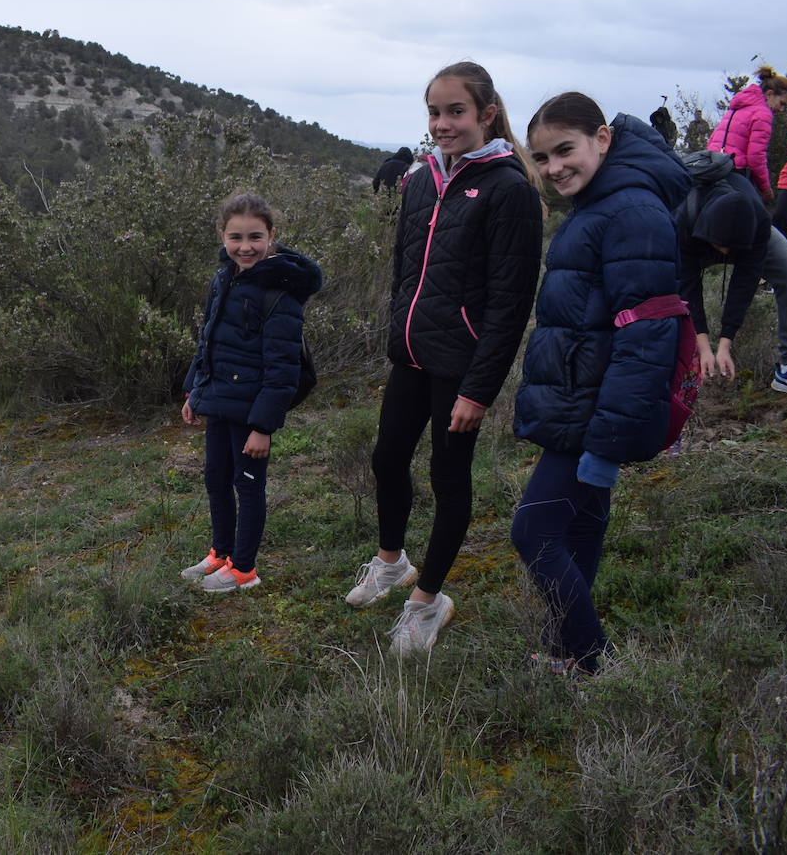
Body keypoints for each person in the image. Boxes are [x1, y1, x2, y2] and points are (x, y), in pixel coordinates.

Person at [345, 61, 543, 656]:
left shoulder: (510, 189)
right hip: (411, 353)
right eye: (434, 112)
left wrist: (479, 389)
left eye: (455, 111)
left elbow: (510, 303)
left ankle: (429, 601)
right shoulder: (421, 178)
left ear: (486, 114)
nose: (442, 123)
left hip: (461, 364)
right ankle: (391, 562)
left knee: (448, 479)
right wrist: (397, 332)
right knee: (386, 459)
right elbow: (406, 269)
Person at [513, 94, 689, 675]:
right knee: (580, 527)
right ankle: (568, 654)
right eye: (542, 157)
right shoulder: (598, 205)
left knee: (535, 531)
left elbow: (648, 337)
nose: (555, 167)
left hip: (592, 412)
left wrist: (606, 444)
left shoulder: (630, 211)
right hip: (579, 401)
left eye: (566, 150)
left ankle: (594, 660)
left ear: (603, 139)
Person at [179, 193, 323, 593]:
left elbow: (283, 370)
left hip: (251, 410)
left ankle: (244, 569)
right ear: (222, 236)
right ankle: (220, 553)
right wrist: (195, 390)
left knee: (247, 485)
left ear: (272, 236)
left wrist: (263, 426)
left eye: (255, 237)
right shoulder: (224, 276)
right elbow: (208, 339)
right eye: (236, 237)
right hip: (220, 399)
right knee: (215, 479)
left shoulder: (281, 293)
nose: (245, 247)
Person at [676, 156, 773, 384]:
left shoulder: (760, 222)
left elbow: (745, 281)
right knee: (660, 279)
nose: (725, 253)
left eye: (730, 249)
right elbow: (688, 285)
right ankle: (676, 361)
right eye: (722, 247)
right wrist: (703, 346)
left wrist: (724, 343)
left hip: (748, 237)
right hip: (696, 236)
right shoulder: (683, 220)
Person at [707, 65, 787, 204]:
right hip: (734, 170)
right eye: (781, 103)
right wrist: (765, 188)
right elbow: (756, 157)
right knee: (759, 217)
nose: (782, 109)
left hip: (712, 165)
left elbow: (713, 138)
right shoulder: (763, 114)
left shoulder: (738, 106)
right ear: (770, 94)